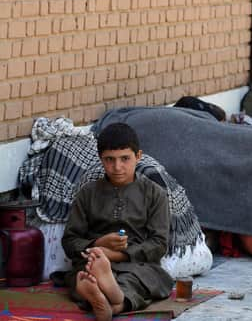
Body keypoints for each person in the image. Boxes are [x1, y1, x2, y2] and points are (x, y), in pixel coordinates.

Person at [62, 123, 173, 321]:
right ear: (100, 159)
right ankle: (109, 297)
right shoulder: (88, 193)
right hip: (93, 261)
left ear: (138, 156)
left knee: (134, 280)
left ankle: (110, 302)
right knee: (83, 277)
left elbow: (159, 244)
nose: (117, 167)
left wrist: (116, 255)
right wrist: (98, 245)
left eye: (125, 159)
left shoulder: (155, 193)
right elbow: (70, 240)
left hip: (137, 264)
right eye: (109, 160)